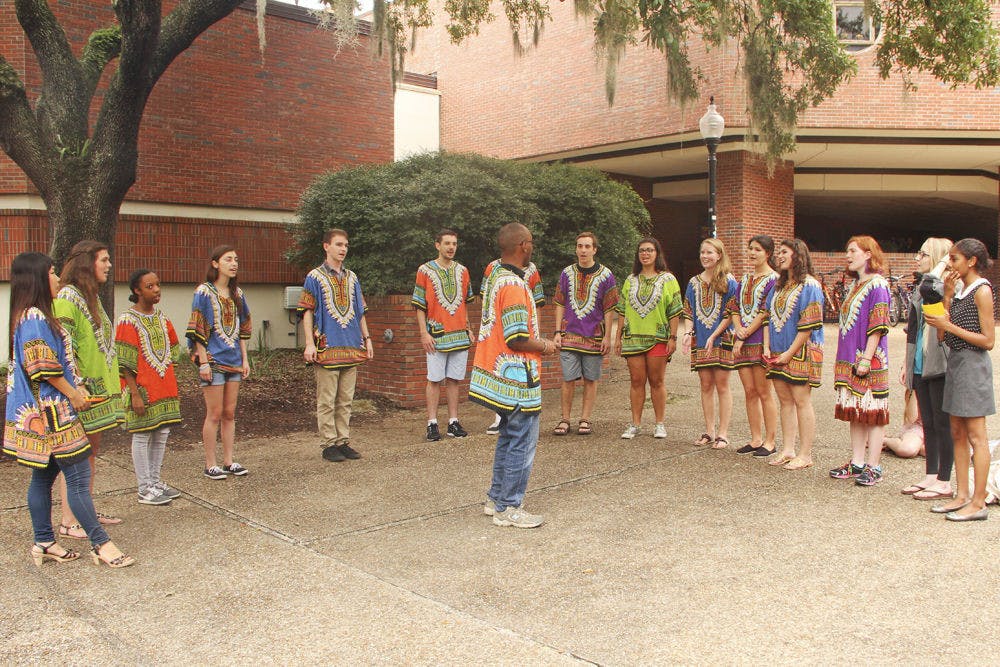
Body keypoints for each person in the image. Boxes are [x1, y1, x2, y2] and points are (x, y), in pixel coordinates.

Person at [3, 252, 134, 568]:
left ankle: (45, 542)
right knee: (77, 475)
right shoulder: (34, 317)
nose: (56, 278)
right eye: (50, 272)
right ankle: (101, 544)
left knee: (43, 476)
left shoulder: (30, 315)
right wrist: (73, 394)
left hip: (43, 411)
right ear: (35, 278)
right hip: (52, 413)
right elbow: (44, 367)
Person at [471, 223, 559, 528]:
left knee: (509, 437)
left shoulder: (496, 279)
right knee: (521, 441)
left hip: (501, 375)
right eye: (530, 242)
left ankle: (496, 498)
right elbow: (517, 337)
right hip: (517, 378)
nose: (532, 246)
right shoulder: (513, 285)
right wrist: (548, 345)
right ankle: (509, 507)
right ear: (523, 245)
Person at [53, 240, 124, 538]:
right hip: (82, 394)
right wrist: (75, 388)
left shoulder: (89, 296)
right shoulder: (67, 298)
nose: (108, 265)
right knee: (76, 456)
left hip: (99, 392)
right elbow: (63, 350)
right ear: (87, 263)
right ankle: (69, 519)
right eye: (103, 260)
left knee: (90, 452)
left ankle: (85, 510)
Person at [925, 238, 995, 521]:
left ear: (972, 261)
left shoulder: (982, 290)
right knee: (957, 432)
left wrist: (947, 324)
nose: (949, 264)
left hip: (973, 366)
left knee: (977, 437)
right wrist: (947, 298)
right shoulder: (961, 289)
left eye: (954, 259)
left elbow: (988, 340)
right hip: (955, 363)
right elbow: (943, 336)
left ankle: (978, 502)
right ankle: (962, 494)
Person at [299, 229, 374, 462]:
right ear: (326, 247)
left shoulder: (352, 277)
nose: (343, 249)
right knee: (327, 399)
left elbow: (360, 311)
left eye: (346, 245)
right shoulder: (314, 277)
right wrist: (309, 343)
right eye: (339, 244)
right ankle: (328, 443)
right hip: (327, 346)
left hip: (351, 345)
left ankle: (343, 441)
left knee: (346, 400)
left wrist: (367, 339)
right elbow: (307, 311)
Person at [116, 269, 183, 505]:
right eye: (150, 286)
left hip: (163, 387)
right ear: (137, 291)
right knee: (143, 434)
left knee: (161, 433)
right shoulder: (127, 320)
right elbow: (124, 362)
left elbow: (174, 349)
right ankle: (144, 488)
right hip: (142, 389)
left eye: (157, 285)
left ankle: (155, 481)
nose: (156, 290)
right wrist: (134, 393)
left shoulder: (162, 318)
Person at [829, 236, 892, 487]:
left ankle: (874, 465)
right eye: (847, 251)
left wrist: (866, 357)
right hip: (850, 357)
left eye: (852, 251)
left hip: (869, 359)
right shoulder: (856, 284)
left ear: (868, 254)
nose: (848, 255)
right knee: (856, 412)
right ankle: (857, 462)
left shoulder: (878, 285)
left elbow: (878, 324)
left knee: (874, 412)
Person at [187, 245, 252, 479]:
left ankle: (229, 461)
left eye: (236, 259)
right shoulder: (204, 292)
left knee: (229, 413)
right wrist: (203, 362)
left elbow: (243, 329)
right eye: (228, 259)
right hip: (213, 361)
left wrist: (245, 360)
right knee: (213, 413)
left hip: (234, 360)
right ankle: (210, 463)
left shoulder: (238, 295)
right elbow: (198, 329)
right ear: (215, 263)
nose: (234, 263)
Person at [900, 237, 955, 499]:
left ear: (936, 257)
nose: (916, 259)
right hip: (920, 361)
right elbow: (913, 329)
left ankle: (945, 479)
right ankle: (931, 475)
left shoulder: (942, 286)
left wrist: (942, 264)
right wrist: (907, 363)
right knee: (928, 422)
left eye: (922, 254)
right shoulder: (922, 285)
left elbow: (933, 291)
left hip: (939, 361)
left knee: (942, 422)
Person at [762, 239, 824, 471]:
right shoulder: (778, 286)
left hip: (800, 350)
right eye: (778, 252)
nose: (779, 256)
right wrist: (767, 347)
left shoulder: (810, 285)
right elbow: (768, 316)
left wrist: (789, 353)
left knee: (801, 400)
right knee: (785, 400)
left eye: (784, 252)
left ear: (798, 255)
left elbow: (809, 325)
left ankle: (805, 453)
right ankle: (787, 449)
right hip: (777, 350)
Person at [614, 237, 683, 440]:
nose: (645, 254)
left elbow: (675, 310)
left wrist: (673, 337)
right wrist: (617, 338)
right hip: (633, 337)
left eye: (650, 250)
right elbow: (622, 310)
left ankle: (659, 423)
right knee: (636, 381)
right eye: (642, 250)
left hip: (658, 338)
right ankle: (635, 423)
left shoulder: (668, 280)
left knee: (657, 381)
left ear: (657, 253)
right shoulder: (630, 280)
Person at [551, 232, 619, 436]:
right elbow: (559, 302)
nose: (583, 250)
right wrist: (556, 331)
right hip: (569, 334)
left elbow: (609, 307)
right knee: (568, 378)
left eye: (587, 246)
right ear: (576, 249)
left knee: (591, 379)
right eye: (580, 246)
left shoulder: (606, 275)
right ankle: (565, 419)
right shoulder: (567, 273)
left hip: (594, 336)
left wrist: (608, 336)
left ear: (594, 250)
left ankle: (585, 419)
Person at [412, 229, 475, 441]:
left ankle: (453, 422)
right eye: (447, 243)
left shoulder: (463, 270)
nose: (451, 247)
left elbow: (465, 303)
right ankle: (432, 423)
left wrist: (468, 328)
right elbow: (420, 305)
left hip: (458, 334)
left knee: (455, 380)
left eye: (454, 244)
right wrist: (423, 333)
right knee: (434, 379)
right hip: (435, 335)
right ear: (437, 245)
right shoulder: (425, 270)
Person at [680, 238, 738, 448]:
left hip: (722, 339)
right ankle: (709, 430)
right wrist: (688, 332)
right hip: (701, 338)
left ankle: (723, 433)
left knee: (722, 385)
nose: (705, 256)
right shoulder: (694, 282)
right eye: (702, 252)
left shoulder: (730, 281)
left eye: (710, 253)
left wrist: (716, 334)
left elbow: (732, 312)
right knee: (705, 385)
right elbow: (688, 310)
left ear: (719, 255)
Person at [483, 257, 545, 435]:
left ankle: (507, 420)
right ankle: (499, 418)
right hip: (505, 335)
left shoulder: (532, 270)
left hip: (525, 333)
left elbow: (538, 302)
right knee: (503, 372)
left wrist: (536, 332)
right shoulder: (492, 268)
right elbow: (487, 299)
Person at [730, 235, 779, 457]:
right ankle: (755, 437)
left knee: (764, 391)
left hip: (760, 340)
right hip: (742, 338)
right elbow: (733, 307)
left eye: (757, 249)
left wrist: (745, 333)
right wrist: (738, 327)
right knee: (749, 391)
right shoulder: (745, 279)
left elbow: (765, 310)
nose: (752, 253)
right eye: (750, 248)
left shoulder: (773, 280)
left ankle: (770, 441)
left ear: (767, 253)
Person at [882, 389, 924, 459]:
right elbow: (911, 418)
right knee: (907, 449)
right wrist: (916, 388)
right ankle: (883, 440)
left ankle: (919, 447)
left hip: (940, 431)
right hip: (919, 427)